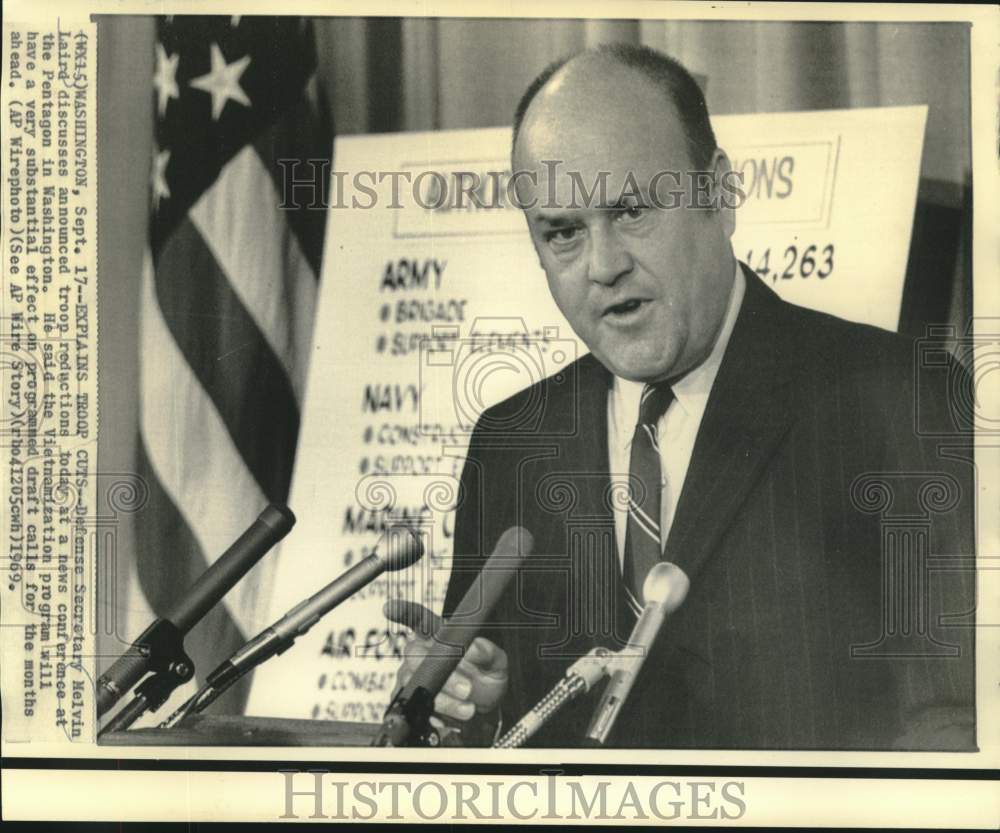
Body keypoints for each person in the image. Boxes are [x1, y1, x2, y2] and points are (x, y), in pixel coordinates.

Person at [387, 44, 975, 749]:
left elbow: (950, 728)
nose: (604, 266)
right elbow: (481, 737)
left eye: (632, 211)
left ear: (719, 195)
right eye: (564, 232)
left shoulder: (900, 400)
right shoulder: (512, 439)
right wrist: (468, 712)